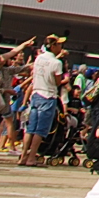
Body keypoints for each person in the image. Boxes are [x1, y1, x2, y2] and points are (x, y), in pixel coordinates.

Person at [21, 35, 69, 166]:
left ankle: (23, 155)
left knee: (30, 128)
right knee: (40, 130)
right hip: (48, 95)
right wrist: (65, 81)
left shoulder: (38, 59)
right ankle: (31, 157)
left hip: (36, 93)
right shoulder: (57, 63)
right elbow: (57, 81)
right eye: (58, 45)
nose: (61, 47)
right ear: (53, 46)